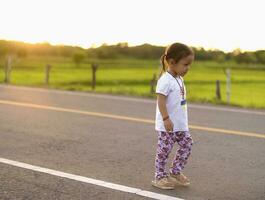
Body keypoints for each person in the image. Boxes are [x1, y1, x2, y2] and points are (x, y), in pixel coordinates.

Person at [152, 43, 195, 189]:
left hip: (180, 124)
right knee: (164, 150)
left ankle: (175, 172)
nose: (188, 68)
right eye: (185, 64)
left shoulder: (179, 78)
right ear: (171, 62)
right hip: (168, 125)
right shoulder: (165, 80)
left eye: (189, 65)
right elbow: (161, 100)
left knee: (187, 144)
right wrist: (165, 119)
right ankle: (159, 177)